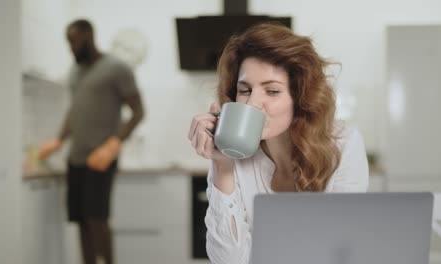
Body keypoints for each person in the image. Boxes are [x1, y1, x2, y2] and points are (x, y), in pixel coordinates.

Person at [187, 23, 369, 264]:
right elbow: (228, 261)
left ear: (300, 97)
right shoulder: (229, 151)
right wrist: (223, 168)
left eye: (271, 91)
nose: (252, 103)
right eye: (245, 90)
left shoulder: (343, 144)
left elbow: (343, 250)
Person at [39, 19, 144, 264]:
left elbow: (138, 111)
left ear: (88, 37)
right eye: (68, 43)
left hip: (101, 156)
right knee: (81, 219)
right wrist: (59, 139)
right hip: (75, 156)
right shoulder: (75, 72)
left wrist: (114, 144)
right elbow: (74, 111)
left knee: (98, 218)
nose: (71, 47)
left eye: (73, 41)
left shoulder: (117, 68)